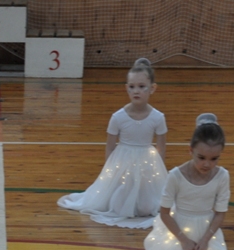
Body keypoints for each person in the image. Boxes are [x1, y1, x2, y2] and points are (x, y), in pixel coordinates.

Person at [120, 113, 234, 250]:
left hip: (207, 231)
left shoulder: (222, 176)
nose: (207, 164)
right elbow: (164, 213)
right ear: (190, 150)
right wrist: (183, 239)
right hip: (178, 230)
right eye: (201, 157)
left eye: (214, 159)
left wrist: (205, 240)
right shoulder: (176, 175)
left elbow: (220, 213)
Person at [57, 57, 169, 228]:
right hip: (122, 163)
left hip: (147, 164)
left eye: (142, 86)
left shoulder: (158, 118)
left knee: (147, 206)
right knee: (118, 203)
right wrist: (109, 173)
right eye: (132, 87)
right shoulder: (118, 117)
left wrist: (158, 172)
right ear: (126, 88)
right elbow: (110, 147)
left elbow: (161, 148)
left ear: (152, 88)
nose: (136, 91)